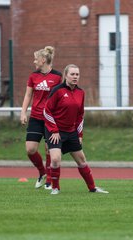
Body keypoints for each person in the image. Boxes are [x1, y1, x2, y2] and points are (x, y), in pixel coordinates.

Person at [43, 64, 109, 195]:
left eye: (77, 74)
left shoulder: (81, 93)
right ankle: (55, 188)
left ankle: (92, 188)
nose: (75, 77)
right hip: (55, 131)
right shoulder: (57, 90)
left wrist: (79, 133)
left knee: (82, 160)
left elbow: (80, 115)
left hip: (71, 132)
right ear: (66, 75)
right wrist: (54, 130)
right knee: (55, 159)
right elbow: (47, 111)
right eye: (72, 74)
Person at [20, 46, 62, 189]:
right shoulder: (33, 76)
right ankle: (42, 172)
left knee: (48, 149)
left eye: (36, 59)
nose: (34, 62)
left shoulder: (57, 77)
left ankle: (50, 180)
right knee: (30, 149)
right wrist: (23, 112)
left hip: (51, 118)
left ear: (43, 60)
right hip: (36, 117)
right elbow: (28, 95)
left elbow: (60, 97)